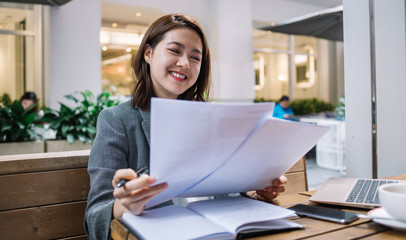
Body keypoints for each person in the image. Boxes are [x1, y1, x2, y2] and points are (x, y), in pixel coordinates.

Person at [85, 13, 287, 240]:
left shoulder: (212, 119)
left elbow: (222, 186)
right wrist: (127, 205)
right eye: (174, 50)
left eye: (195, 57)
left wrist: (253, 192)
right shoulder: (116, 119)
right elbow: (95, 214)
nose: (184, 63)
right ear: (149, 53)